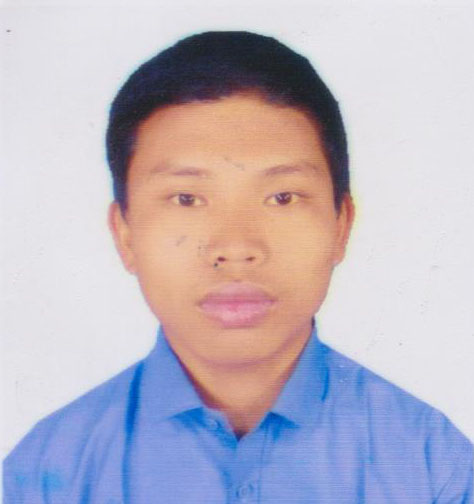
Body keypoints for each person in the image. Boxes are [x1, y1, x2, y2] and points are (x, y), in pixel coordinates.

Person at [3, 31, 472, 503]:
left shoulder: (435, 465)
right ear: (125, 234)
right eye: (186, 199)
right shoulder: (43, 475)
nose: (236, 247)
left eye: (282, 197)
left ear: (341, 225)